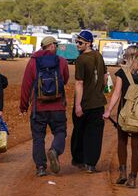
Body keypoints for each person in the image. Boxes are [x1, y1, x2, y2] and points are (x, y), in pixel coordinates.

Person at [103, 45, 138, 188]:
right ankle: (133, 178)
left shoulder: (122, 73)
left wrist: (109, 110)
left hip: (124, 114)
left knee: (122, 142)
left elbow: (116, 93)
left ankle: (122, 173)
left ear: (126, 56)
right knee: (136, 146)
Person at [20, 36, 69, 177]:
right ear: (52, 46)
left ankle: (41, 167)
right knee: (60, 132)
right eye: (56, 45)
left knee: (38, 138)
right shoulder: (62, 61)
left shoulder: (33, 62)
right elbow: (65, 80)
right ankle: (55, 150)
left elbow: (26, 85)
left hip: (38, 108)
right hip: (58, 106)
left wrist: (23, 105)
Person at [71, 30, 107, 173]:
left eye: (80, 43)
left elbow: (79, 83)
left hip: (84, 103)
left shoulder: (81, 59)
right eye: (77, 42)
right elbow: (104, 77)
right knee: (95, 135)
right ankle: (91, 163)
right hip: (98, 103)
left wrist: (78, 105)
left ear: (88, 43)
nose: (77, 45)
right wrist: (99, 90)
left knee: (80, 131)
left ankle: (79, 159)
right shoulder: (99, 56)